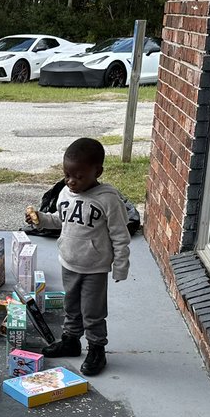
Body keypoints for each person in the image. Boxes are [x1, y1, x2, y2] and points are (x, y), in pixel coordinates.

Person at [24, 137, 131, 376]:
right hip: (69, 262)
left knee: (93, 311)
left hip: (95, 266)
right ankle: (71, 341)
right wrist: (41, 219)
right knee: (71, 305)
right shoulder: (65, 193)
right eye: (67, 175)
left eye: (79, 176)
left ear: (97, 171)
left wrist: (121, 265)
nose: (71, 181)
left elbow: (120, 235)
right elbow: (60, 221)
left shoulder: (108, 199)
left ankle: (96, 349)